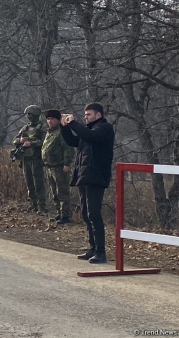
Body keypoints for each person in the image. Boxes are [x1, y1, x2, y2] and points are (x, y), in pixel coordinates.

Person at [61, 102, 115, 264]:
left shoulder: (104, 129)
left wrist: (73, 123)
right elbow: (72, 141)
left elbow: (90, 137)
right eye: (85, 115)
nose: (86, 117)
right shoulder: (88, 131)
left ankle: (101, 251)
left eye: (89, 114)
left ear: (98, 115)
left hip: (96, 177)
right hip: (84, 177)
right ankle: (92, 247)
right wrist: (64, 127)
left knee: (94, 214)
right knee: (85, 213)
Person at [41, 109, 75, 224]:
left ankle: (66, 215)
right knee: (54, 192)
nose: (50, 121)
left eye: (52, 119)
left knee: (62, 192)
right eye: (48, 119)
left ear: (57, 120)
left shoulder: (61, 132)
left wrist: (67, 163)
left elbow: (68, 148)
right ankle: (59, 212)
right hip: (50, 166)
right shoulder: (49, 132)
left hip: (59, 166)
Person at [13, 105, 48, 215]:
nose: (29, 117)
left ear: (36, 115)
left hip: (36, 159)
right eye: (28, 114)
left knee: (38, 183)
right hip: (26, 159)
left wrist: (31, 143)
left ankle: (42, 207)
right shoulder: (25, 128)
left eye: (30, 114)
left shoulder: (42, 127)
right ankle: (34, 204)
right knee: (29, 183)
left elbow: (45, 142)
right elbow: (15, 140)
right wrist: (21, 140)